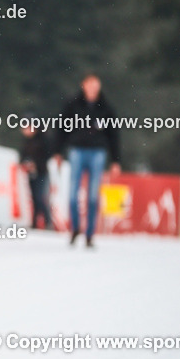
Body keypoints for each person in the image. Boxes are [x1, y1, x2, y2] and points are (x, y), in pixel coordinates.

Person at [52, 73, 121, 247]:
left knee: (92, 196)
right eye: (90, 85)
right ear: (83, 85)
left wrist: (116, 160)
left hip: (98, 152)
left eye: (95, 85)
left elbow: (114, 135)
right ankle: (75, 229)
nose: (92, 88)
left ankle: (90, 234)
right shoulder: (73, 104)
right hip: (77, 150)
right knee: (73, 193)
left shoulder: (106, 107)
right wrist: (57, 151)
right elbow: (61, 128)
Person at [19, 119, 52, 230]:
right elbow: (22, 156)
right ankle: (34, 221)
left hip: (41, 172)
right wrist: (25, 164)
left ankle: (47, 221)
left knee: (40, 197)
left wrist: (35, 164)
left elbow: (46, 155)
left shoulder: (42, 140)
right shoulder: (26, 141)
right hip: (31, 173)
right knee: (33, 197)